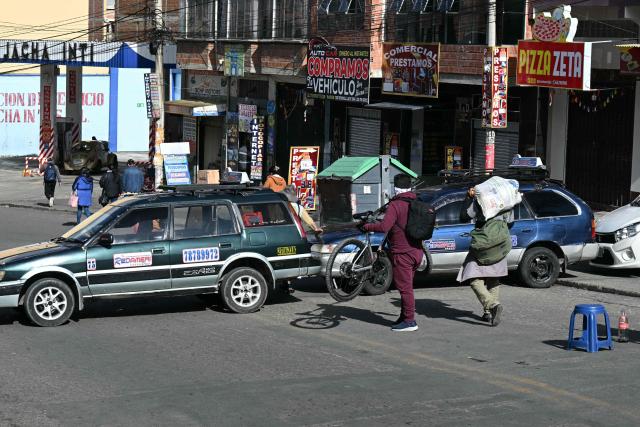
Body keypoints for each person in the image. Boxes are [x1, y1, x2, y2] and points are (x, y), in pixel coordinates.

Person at [362, 174, 424, 332]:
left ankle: (410, 321)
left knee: (405, 288)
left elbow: (384, 227)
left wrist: (367, 227)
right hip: (417, 251)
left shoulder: (396, 205)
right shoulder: (416, 201)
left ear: (395, 188)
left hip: (402, 252)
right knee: (406, 285)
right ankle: (404, 317)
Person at [457, 186, 513, 327]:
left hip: (483, 244)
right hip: (500, 243)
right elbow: (511, 223)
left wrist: (468, 197)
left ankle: (492, 305)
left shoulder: (481, 201)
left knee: (473, 278)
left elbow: (464, 217)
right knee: (494, 278)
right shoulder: (507, 203)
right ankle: (488, 313)